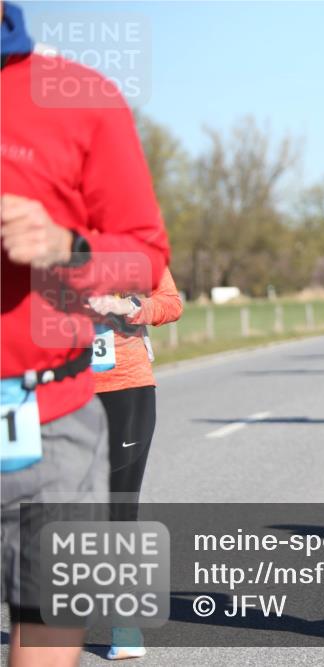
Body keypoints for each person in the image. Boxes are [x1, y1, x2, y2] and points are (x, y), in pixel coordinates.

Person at [1, 4, 170, 664]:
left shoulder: (80, 97)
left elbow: (146, 256)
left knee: (42, 628)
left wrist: (66, 246)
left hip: (49, 419)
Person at [88, 268, 183, 660]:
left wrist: (126, 305)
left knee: (118, 509)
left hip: (128, 387)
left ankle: (124, 626)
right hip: (58, 393)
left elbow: (171, 303)